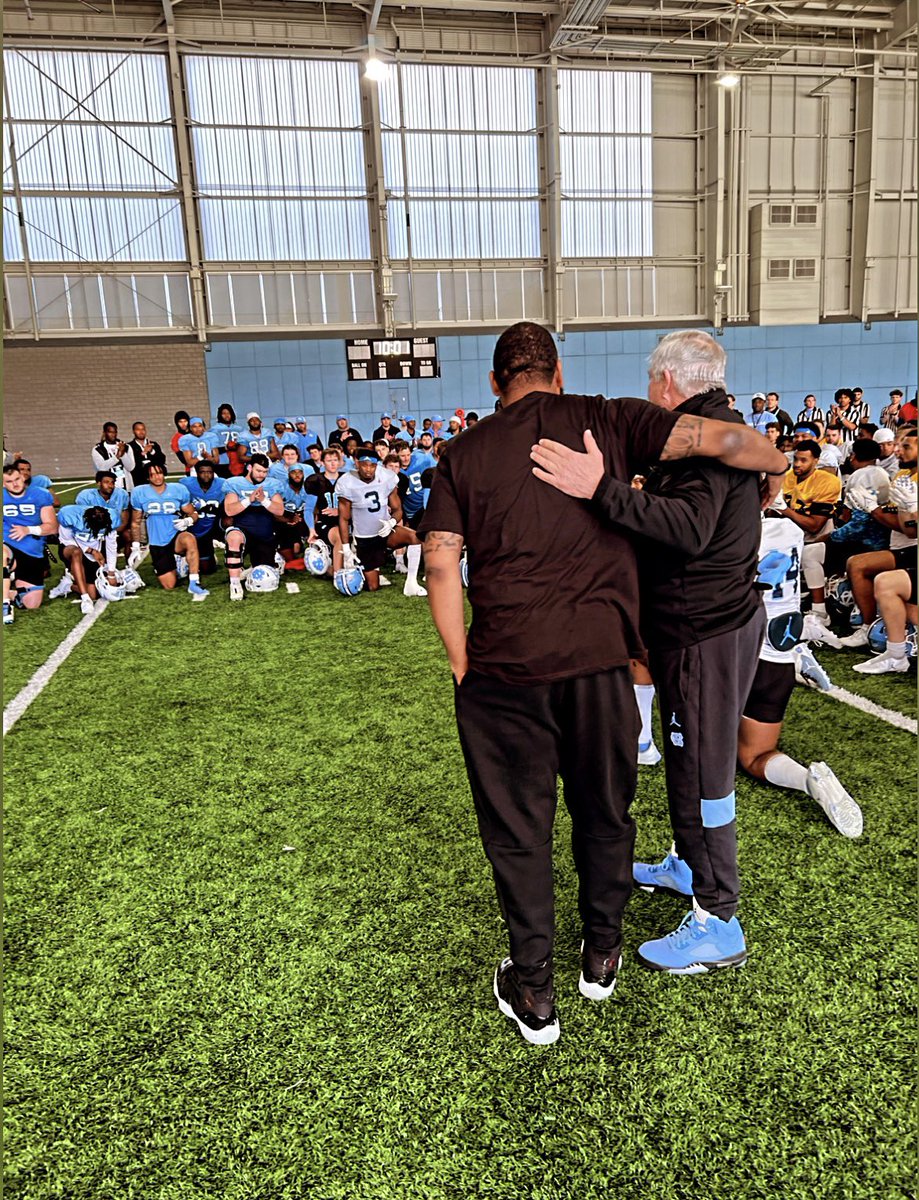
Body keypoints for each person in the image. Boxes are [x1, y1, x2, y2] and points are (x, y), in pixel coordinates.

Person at [421, 322, 786, 1045]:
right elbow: (732, 443)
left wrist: (461, 662)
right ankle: (601, 955)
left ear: (495, 383)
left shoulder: (460, 452)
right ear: (557, 371)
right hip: (601, 667)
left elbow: (439, 565)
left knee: (519, 833)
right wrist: (773, 462)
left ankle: (533, 990)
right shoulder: (612, 416)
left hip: (506, 671)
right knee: (605, 813)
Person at [530, 329, 783, 980]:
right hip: (695, 628)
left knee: (704, 773)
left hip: (707, 632)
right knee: (682, 757)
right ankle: (687, 862)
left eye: (650, 386)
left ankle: (717, 918)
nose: (648, 397)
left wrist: (600, 490)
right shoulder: (717, 427)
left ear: (667, 382)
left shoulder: (704, 437)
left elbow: (688, 529)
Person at [736, 517, 863, 835]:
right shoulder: (790, 530)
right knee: (760, 753)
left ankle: (804, 781)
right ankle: (808, 779)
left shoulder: (729, 527)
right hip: (780, 655)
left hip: (740, 653)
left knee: (726, 751)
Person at [838, 426, 917, 650]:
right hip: (902, 542)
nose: (898, 451)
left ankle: (892, 636)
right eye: (899, 445)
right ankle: (868, 626)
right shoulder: (902, 475)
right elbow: (904, 526)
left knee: (866, 568)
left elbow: (911, 531)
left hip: (913, 547)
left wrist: (873, 509)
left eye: (906, 447)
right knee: (857, 563)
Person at [335, 447, 426, 596]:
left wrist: (391, 523)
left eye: (372, 465)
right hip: (365, 538)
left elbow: (397, 510)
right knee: (372, 586)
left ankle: (411, 584)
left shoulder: (386, 477)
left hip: (386, 531)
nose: (369, 469)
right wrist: (346, 548)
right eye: (365, 464)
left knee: (415, 537)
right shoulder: (346, 482)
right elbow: (343, 518)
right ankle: (348, 568)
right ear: (357, 464)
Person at [771, 439, 841, 623]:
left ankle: (820, 611)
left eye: (803, 460)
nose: (797, 464)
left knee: (810, 554)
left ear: (816, 461)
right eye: (796, 459)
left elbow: (814, 526)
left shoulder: (827, 481)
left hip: (819, 538)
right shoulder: (787, 477)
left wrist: (784, 510)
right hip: (790, 536)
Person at [128, 464, 209, 600]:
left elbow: (193, 513)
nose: (157, 477)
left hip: (176, 536)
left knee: (189, 539)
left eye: (159, 473)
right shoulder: (139, 492)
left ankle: (194, 582)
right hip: (157, 541)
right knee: (169, 585)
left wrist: (187, 521)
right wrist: (136, 546)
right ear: (148, 477)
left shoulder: (178, 490)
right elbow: (135, 522)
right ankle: (179, 563)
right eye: (152, 474)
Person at [221, 453, 284, 600]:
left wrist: (263, 500)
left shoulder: (273, 484)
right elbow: (230, 510)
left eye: (265, 472)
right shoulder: (234, 483)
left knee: (264, 573)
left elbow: (279, 510)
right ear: (249, 468)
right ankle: (235, 585)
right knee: (234, 537)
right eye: (258, 471)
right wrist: (249, 499)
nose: (261, 475)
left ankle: (250, 568)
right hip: (243, 530)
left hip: (264, 534)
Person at [2, 463, 58, 615]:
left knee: (31, 604)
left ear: (23, 476)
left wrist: (27, 530)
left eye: (17, 479)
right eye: (9, 481)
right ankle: (5, 604)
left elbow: (52, 527)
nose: (15, 484)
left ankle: (10, 593)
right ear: (3, 483)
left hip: (32, 551)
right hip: (8, 545)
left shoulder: (40, 494)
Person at [56, 504, 115, 615]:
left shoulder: (112, 519)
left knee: (94, 594)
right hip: (72, 549)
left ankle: (68, 585)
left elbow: (111, 546)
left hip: (95, 551)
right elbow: (65, 540)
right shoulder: (69, 515)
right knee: (76, 552)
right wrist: (90, 551)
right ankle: (85, 599)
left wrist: (111, 573)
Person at [183, 460, 227, 575]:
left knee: (229, 522)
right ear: (197, 473)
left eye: (209, 472)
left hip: (216, 525)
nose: (206, 475)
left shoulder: (223, 484)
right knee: (206, 570)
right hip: (198, 527)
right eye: (202, 472)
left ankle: (234, 555)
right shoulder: (186, 484)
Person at [125, 422, 167, 491]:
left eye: (143, 429)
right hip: (138, 482)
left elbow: (162, 460)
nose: (141, 432)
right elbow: (130, 465)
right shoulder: (129, 447)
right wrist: (143, 454)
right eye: (138, 429)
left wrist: (152, 451)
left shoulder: (154, 444)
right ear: (133, 431)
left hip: (155, 481)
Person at [92, 422, 133, 488]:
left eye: (115, 432)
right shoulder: (97, 449)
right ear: (104, 433)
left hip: (126, 486)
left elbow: (130, 467)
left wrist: (123, 454)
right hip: (108, 487)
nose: (113, 434)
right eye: (110, 432)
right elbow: (101, 467)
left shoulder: (126, 446)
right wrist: (117, 457)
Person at [211, 404, 244, 477]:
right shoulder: (214, 430)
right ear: (220, 415)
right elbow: (212, 449)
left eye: (228, 413)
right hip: (222, 462)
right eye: (224, 413)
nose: (226, 415)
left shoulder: (240, 429)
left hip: (238, 462)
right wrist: (226, 448)